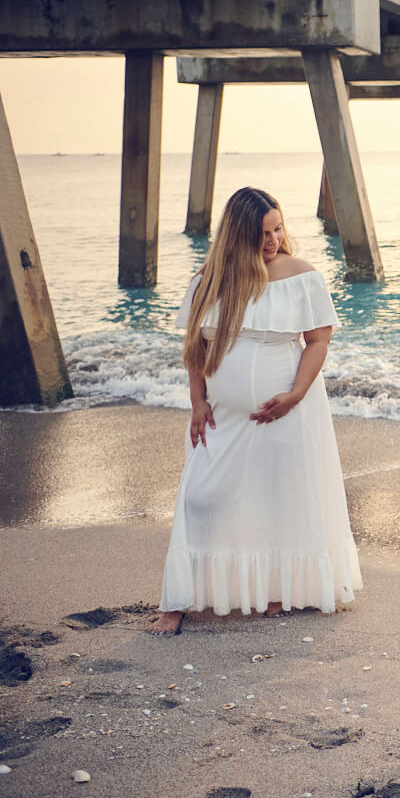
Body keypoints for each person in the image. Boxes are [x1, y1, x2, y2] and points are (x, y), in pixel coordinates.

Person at [147, 188, 362, 635]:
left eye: (278, 228)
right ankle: (178, 600)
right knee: (200, 497)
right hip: (221, 416)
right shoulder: (208, 281)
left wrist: (296, 394)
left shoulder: (301, 276)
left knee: (278, 495)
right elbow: (195, 349)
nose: (274, 240)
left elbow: (318, 341)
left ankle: (277, 590)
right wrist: (197, 400)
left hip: (286, 407)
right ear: (237, 235)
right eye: (263, 232)